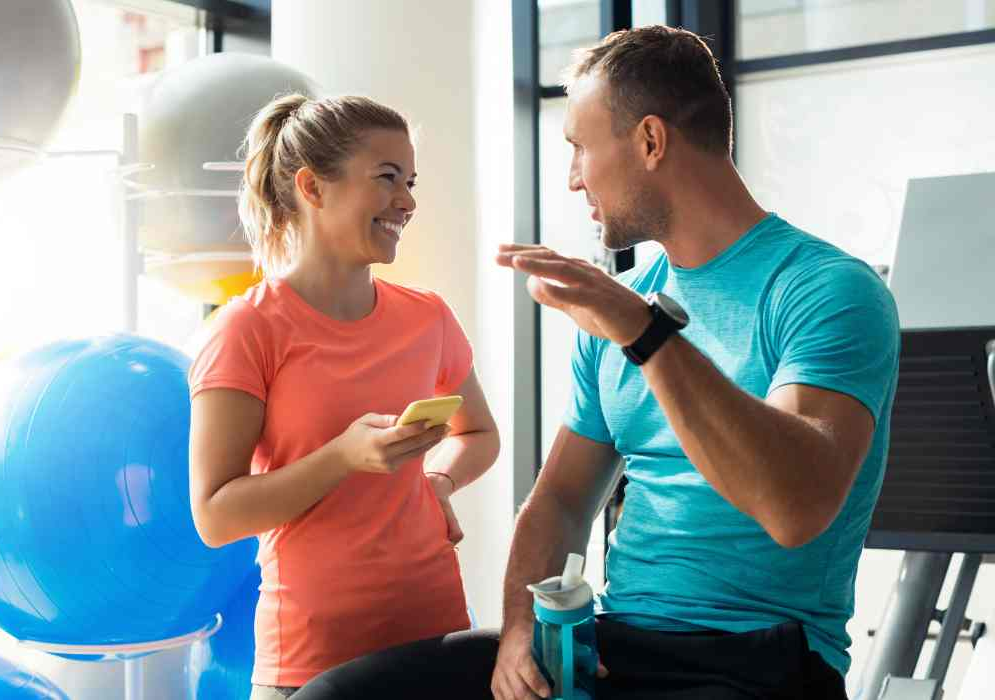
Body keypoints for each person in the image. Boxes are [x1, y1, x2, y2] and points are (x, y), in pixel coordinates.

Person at [290, 25, 899, 700]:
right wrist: (521, 629)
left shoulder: (825, 289)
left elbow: (794, 508)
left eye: (579, 148)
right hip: (615, 645)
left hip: (759, 662)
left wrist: (642, 334)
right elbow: (559, 498)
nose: (574, 178)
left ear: (649, 141)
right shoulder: (623, 304)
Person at [186, 93, 500, 700]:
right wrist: (342, 457)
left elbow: (478, 435)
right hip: (311, 661)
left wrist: (438, 483)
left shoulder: (427, 318)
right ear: (312, 187)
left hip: (432, 639)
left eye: (409, 182)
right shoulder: (246, 330)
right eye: (387, 179)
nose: (407, 201)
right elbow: (216, 515)